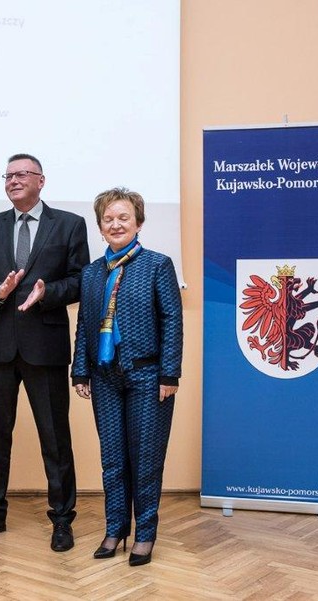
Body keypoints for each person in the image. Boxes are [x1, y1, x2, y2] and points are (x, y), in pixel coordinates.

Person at [0, 153, 89, 552]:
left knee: (55, 437)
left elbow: (81, 281)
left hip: (45, 347)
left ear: (41, 180)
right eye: (8, 175)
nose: (14, 180)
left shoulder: (69, 224)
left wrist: (47, 292)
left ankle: (62, 519)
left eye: (22, 174)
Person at [71, 187, 182, 566]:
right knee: (113, 460)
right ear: (100, 226)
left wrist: (170, 374)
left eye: (123, 218)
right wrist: (80, 370)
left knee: (145, 459)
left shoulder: (157, 265)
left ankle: (144, 534)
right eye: (108, 219)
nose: (115, 224)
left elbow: (172, 321)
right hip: (104, 378)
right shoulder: (91, 273)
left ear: (138, 223)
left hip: (149, 377)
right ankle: (115, 529)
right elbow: (84, 324)